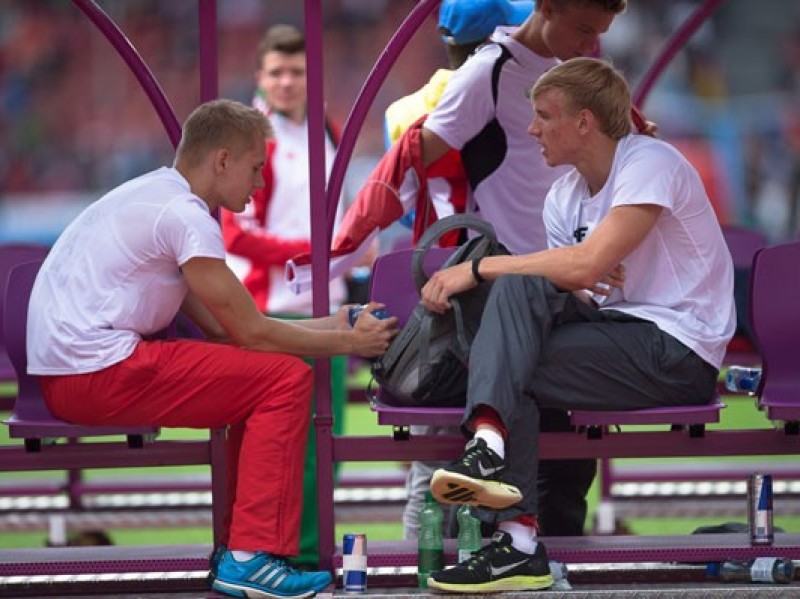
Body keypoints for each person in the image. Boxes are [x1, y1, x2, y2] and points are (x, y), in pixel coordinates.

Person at [26, 99, 398, 599]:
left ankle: (241, 551)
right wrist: (348, 341)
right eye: (255, 167)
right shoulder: (185, 216)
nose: (261, 183)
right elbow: (250, 333)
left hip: (75, 372)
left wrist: (334, 321)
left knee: (264, 375)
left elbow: (229, 331)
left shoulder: (155, 195)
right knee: (285, 380)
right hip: (96, 371)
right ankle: (248, 557)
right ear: (222, 160)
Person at [420, 57, 735, 593]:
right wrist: (575, 264)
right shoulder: (562, 198)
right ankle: (494, 454)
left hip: (679, 349)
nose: (531, 128)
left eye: (544, 115)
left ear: (584, 122)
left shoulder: (650, 162)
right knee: (516, 313)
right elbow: (576, 277)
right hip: (617, 334)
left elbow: (584, 270)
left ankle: (512, 525)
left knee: (509, 340)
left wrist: (477, 268)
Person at [336, 0, 630, 540]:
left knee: (564, 466)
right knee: (467, 450)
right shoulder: (486, 73)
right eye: (584, 27)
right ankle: (431, 564)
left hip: (572, 291)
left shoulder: (583, 75)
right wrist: (355, 237)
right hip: (501, 291)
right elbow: (410, 158)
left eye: (599, 33)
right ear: (546, 8)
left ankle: (542, 561)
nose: (591, 41)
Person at [221, 24, 349, 568]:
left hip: (326, 309)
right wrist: (317, 249)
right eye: (276, 72)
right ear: (259, 77)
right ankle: (274, 556)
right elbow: (236, 235)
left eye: (297, 71)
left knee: (328, 446)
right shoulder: (254, 136)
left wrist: (344, 250)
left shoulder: (325, 127)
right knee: (277, 451)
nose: (287, 81)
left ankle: (310, 553)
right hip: (270, 312)